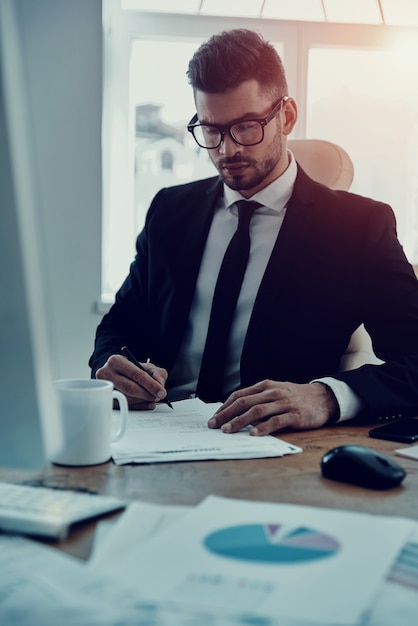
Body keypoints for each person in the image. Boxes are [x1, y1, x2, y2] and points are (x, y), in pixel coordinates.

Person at [90, 28, 418, 436]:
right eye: (211, 130)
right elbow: (120, 325)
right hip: (159, 436)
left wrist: (327, 397)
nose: (227, 150)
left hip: (278, 448)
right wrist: (112, 366)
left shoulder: (358, 227)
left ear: (288, 116)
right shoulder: (170, 211)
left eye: (246, 127)